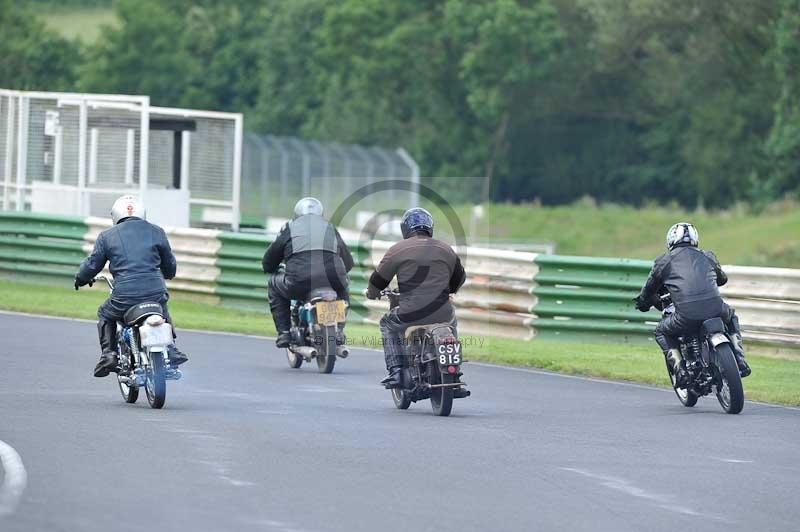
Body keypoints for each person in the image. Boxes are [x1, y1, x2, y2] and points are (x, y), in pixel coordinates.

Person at [74, 195, 188, 377]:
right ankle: (171, 348)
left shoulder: (107, 236)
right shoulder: (157, 231)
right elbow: (170, 265)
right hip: (155, 290)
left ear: (116, 214)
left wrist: (81, 278)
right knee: (162, 307)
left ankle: (108, 354)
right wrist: (168, 274)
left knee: (105, 313)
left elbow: (92, 265)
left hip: (125, 295)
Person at [634, 222, 751, 385]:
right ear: (695, 239)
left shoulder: (663, 261)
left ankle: (680, 370)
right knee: (731, 316)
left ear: (671, 241)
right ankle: (740, 359)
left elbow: (649, 289)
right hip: (717, 310)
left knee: (661, 331)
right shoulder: (708, 256)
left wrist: (642, 303)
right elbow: (722, 279)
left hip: (685, 315)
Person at [366, 207, 466, 388]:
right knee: (451, 323)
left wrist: (372, 293)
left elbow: (378, 280)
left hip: (409, 313)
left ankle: (396, 371)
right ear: (430, 227)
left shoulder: (397, 249)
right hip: (443, 312)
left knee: (386, 323)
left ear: (405, 229)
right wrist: (449, 290)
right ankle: (455, 371)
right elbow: (459, 278)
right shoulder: (446, 249)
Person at [262, 197, 354, 348]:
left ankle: (284, 333)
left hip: (300, 280)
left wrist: (269, 268)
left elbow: (271, 257)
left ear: (297, 214)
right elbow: (348, 261)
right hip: (334, 279)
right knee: (343, 287)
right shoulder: (330, 228)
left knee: (273, 283)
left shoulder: (290, 228)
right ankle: (338, 330)